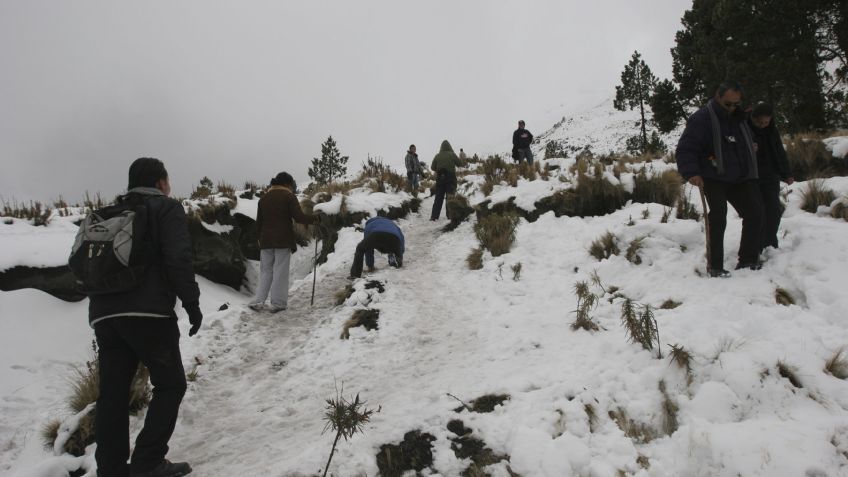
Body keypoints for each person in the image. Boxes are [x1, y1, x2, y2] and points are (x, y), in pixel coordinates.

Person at [89, 157, 200, 477]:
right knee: (171, 384)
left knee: (112, 393)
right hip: (149, 314)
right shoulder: (165, 208)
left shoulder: (109, 213)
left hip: (104, 315)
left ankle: (110, 468)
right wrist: (191, 303)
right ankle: (148, 461)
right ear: (161, 182)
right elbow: (178, 258)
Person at [676, 81, 764, 277]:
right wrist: (691, 172)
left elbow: (741, 142)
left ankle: (748, 259)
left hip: (739, 177)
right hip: (712, 175)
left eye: (736, 104)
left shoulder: (739, 119)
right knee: (718, 217)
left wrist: (752, 146)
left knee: (754, 212)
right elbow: (686, 148)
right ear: (718, 96)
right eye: (728, 104)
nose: (733, 108)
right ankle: (715, 266)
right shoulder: (702, 118)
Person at [249, 172, 318, 312]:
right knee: (280, 271)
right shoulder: (288, 196)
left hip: (266, 240)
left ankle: (258, 301)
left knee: (266, 271)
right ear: (286, 183)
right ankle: (278, 303)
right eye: (291, 184)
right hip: (283, 240)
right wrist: (316, 219)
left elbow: (259, 223)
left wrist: (258, 239)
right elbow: (299, 217)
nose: (292, 187)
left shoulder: (263, 199)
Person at [748, 102, 794, 250]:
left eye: (766, 122)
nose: (762, 125)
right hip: (751, 178)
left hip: (770, 176)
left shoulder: (772, 131)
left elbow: (779, 152)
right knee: (757, 212)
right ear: (753, 118)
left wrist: (786, 173)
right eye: (759, 122)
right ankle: (757, 245)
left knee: (773, 211)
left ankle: (770, 243)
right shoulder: (744, 128)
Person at [430, 140, 462, 221]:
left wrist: (439, 168)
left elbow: (432, 167)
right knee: (450, 197)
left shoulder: (437, 156)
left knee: (438, 198)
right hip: (451, 178)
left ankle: (434, 216)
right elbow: (459, 163)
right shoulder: (452, 154)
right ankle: (450, 215)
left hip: (440, 179)